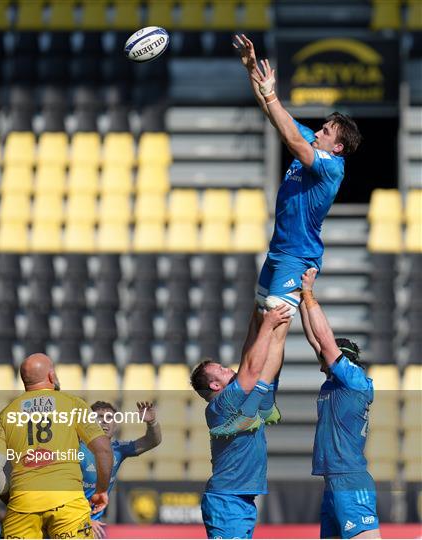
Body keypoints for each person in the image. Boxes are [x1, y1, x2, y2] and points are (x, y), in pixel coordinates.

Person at [233, 34, 363, 388]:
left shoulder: (331, 166)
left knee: (276, 325)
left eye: (324, 131)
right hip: (280, 250)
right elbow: (275, 117)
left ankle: (261, 396)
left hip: (298, 255)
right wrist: (252, 73)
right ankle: (241, 385)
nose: (317, 132)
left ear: (337, 146)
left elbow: (291, 139)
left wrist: (273, 94)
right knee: (258, 320)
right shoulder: (312, 144)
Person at [0, 353, 113, 539]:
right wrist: (101, 491)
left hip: (23, 504)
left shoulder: (5, 414)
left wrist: (11, 498)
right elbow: (104, 450)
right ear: (51, 376)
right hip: (68, 503)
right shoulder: (73, 404)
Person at [190, 305, 291, 538]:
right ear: (216, 386)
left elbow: (267, 358)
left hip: (240, 499)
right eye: (223, 370)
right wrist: (267, 323)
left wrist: (273, 314)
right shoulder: (223, 404)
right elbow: (252, 367)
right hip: (227, 501)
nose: (230, 369)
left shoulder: (240, 397)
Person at [300, 268, 381, 539]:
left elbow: (323, 340)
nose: (321, 361)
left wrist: (310, 293)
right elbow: (315, 340)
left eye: (327, 357)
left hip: (350, 479)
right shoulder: (335, 381)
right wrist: (300, 297)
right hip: (334, 483)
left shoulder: (354, 379)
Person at [80, 400, 161, 539]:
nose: (105, 422)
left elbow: (152, 441)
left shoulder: (118, 449)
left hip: (93, 527)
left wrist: (152, 423)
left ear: (115, 424)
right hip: (71, 522)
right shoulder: (76, 449)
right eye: (99, 417)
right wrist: (83, 520)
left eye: (109, 418)